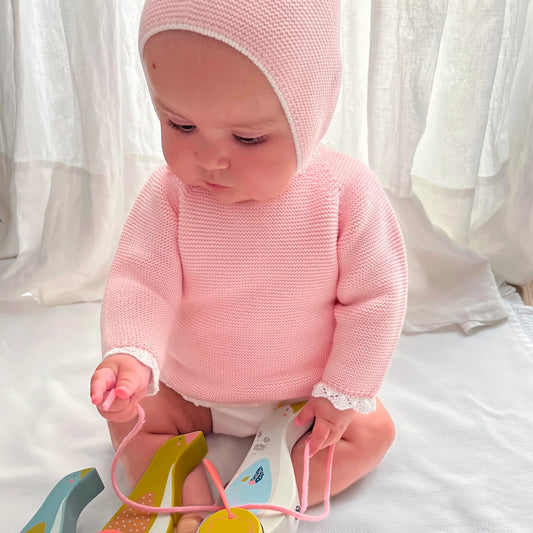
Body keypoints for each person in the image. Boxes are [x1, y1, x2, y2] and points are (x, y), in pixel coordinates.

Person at [90, 1, 407, 531]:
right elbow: (142, 281)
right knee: (134, 424)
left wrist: (342, 392)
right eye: (181, 124)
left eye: (249, 138)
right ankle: (191, 500)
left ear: (309, 115)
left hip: (305, 399)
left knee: (372, 433)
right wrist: (131, 357)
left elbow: (376, 299)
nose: (210, 158)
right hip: (193, 393)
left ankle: (259, 504)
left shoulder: (344, 194)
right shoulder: (170, 195)